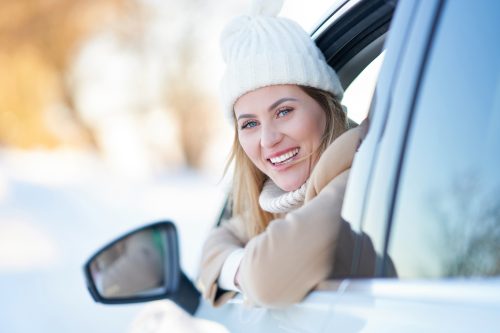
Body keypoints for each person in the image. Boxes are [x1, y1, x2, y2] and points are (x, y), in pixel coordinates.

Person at [197, 0, 375, 308]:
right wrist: (240, 267)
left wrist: (240, 266)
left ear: (326, 107)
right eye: (250, 123)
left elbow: (267, 279)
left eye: (283, 111)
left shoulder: (356, 176)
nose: (268, 139)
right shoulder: (276, 199)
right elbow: (219, 239)